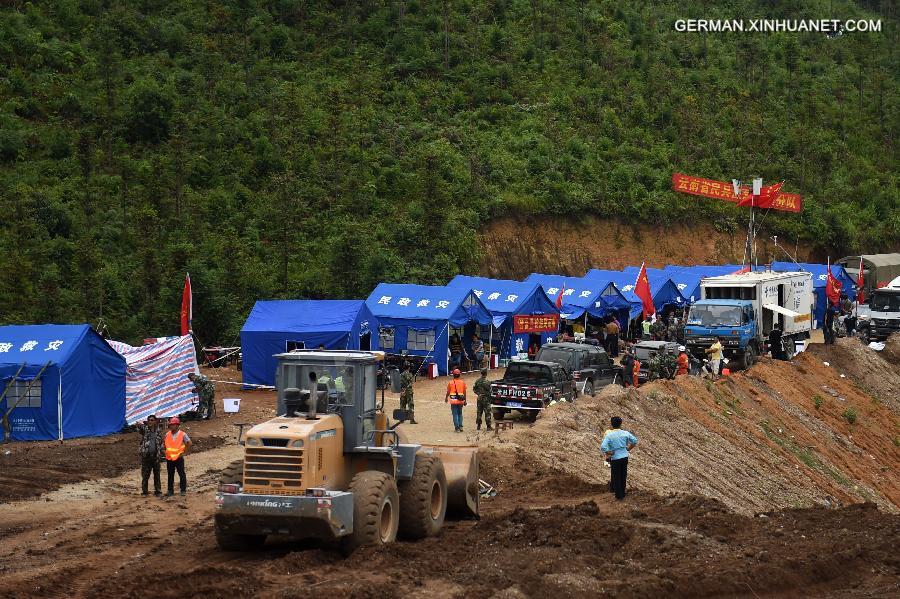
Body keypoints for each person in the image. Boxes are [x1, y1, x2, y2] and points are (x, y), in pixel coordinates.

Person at [600, 416, 638, 500]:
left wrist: (609, 452)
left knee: (616, 476)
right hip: (624, 456)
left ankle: (619, 495)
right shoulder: (625, 433)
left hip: (615, 458)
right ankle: (623, 493)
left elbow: (603, 447)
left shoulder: (609, 435)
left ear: (611, 424)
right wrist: (629, 448)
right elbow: (635, 441)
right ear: (621, 424)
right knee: (623, 475)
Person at [136, 414, 163, 496]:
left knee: (157, 475)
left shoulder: (158, 431)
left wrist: (160, 453)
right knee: (145, 475)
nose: (150, 421)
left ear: (155, 421)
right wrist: (138, 425)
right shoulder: (145, 430)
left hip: (156, 456)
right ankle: (145, 492)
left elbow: (160, 443)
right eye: (149, 420)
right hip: (146, 456)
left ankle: (158, 491)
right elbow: (139, 428)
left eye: (152, 420)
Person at [164, 417, 191, 496]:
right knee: (170, 474)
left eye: (172, 425)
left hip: (179, 458)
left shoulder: (182, 434)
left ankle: (183, 490)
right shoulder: (167, 434)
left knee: (181, 474)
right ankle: (170, 490)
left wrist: (183, 452)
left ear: (177, 425)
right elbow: (164, 445)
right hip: (169, 458)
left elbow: (189, 443)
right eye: (170, 425)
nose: (171, 426)